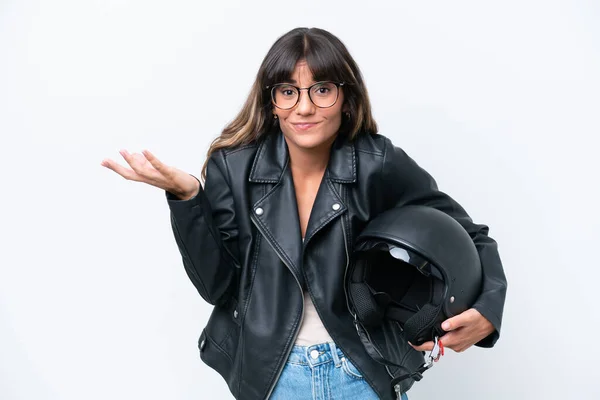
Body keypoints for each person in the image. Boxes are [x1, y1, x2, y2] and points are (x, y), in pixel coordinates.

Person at [101, 27, 507, 400]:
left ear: (345, 98)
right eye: (288, 91)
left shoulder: (377, 163)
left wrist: (487, 310)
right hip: (273, 376)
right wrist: (187, 197)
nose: (305, 107)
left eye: (322, 90)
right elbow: (218, 287)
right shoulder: (233, 167)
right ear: (272, 101)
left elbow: (470, 233)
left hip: (361, 371)